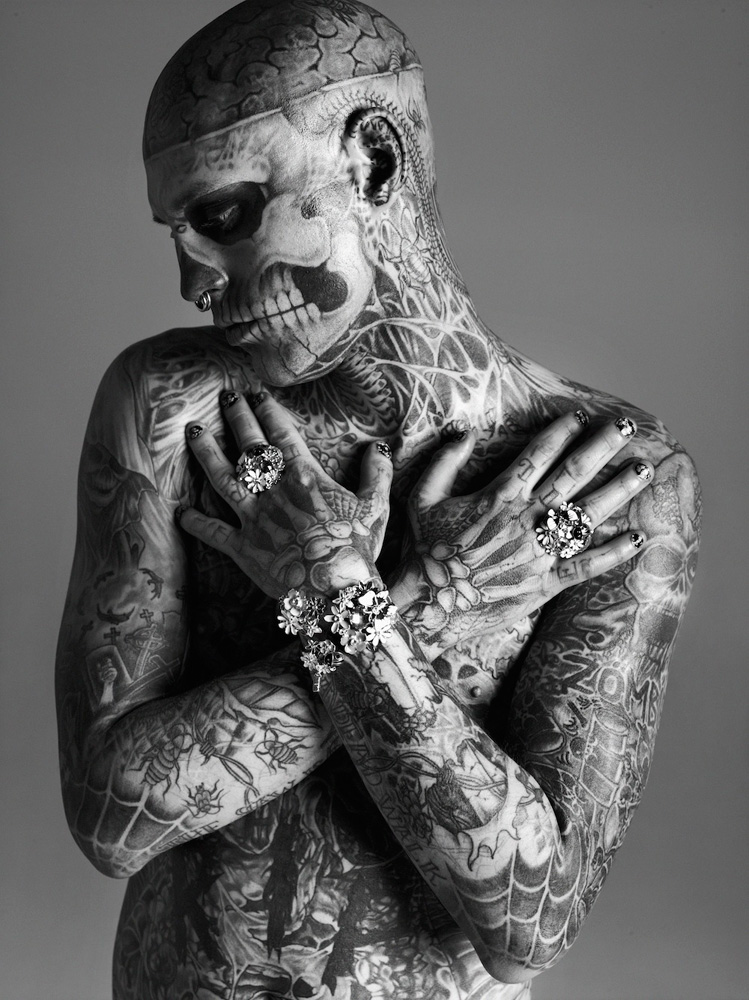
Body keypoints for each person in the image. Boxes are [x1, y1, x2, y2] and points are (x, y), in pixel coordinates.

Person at [55, 2, 701, 998]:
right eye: (175, 232)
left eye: (223, 215)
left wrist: (340, 601)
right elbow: (110, 816)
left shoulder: (602, 478)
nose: (191, 281)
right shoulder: (175, 404)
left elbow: (531, 921)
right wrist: (416, 608)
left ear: (374, 160)